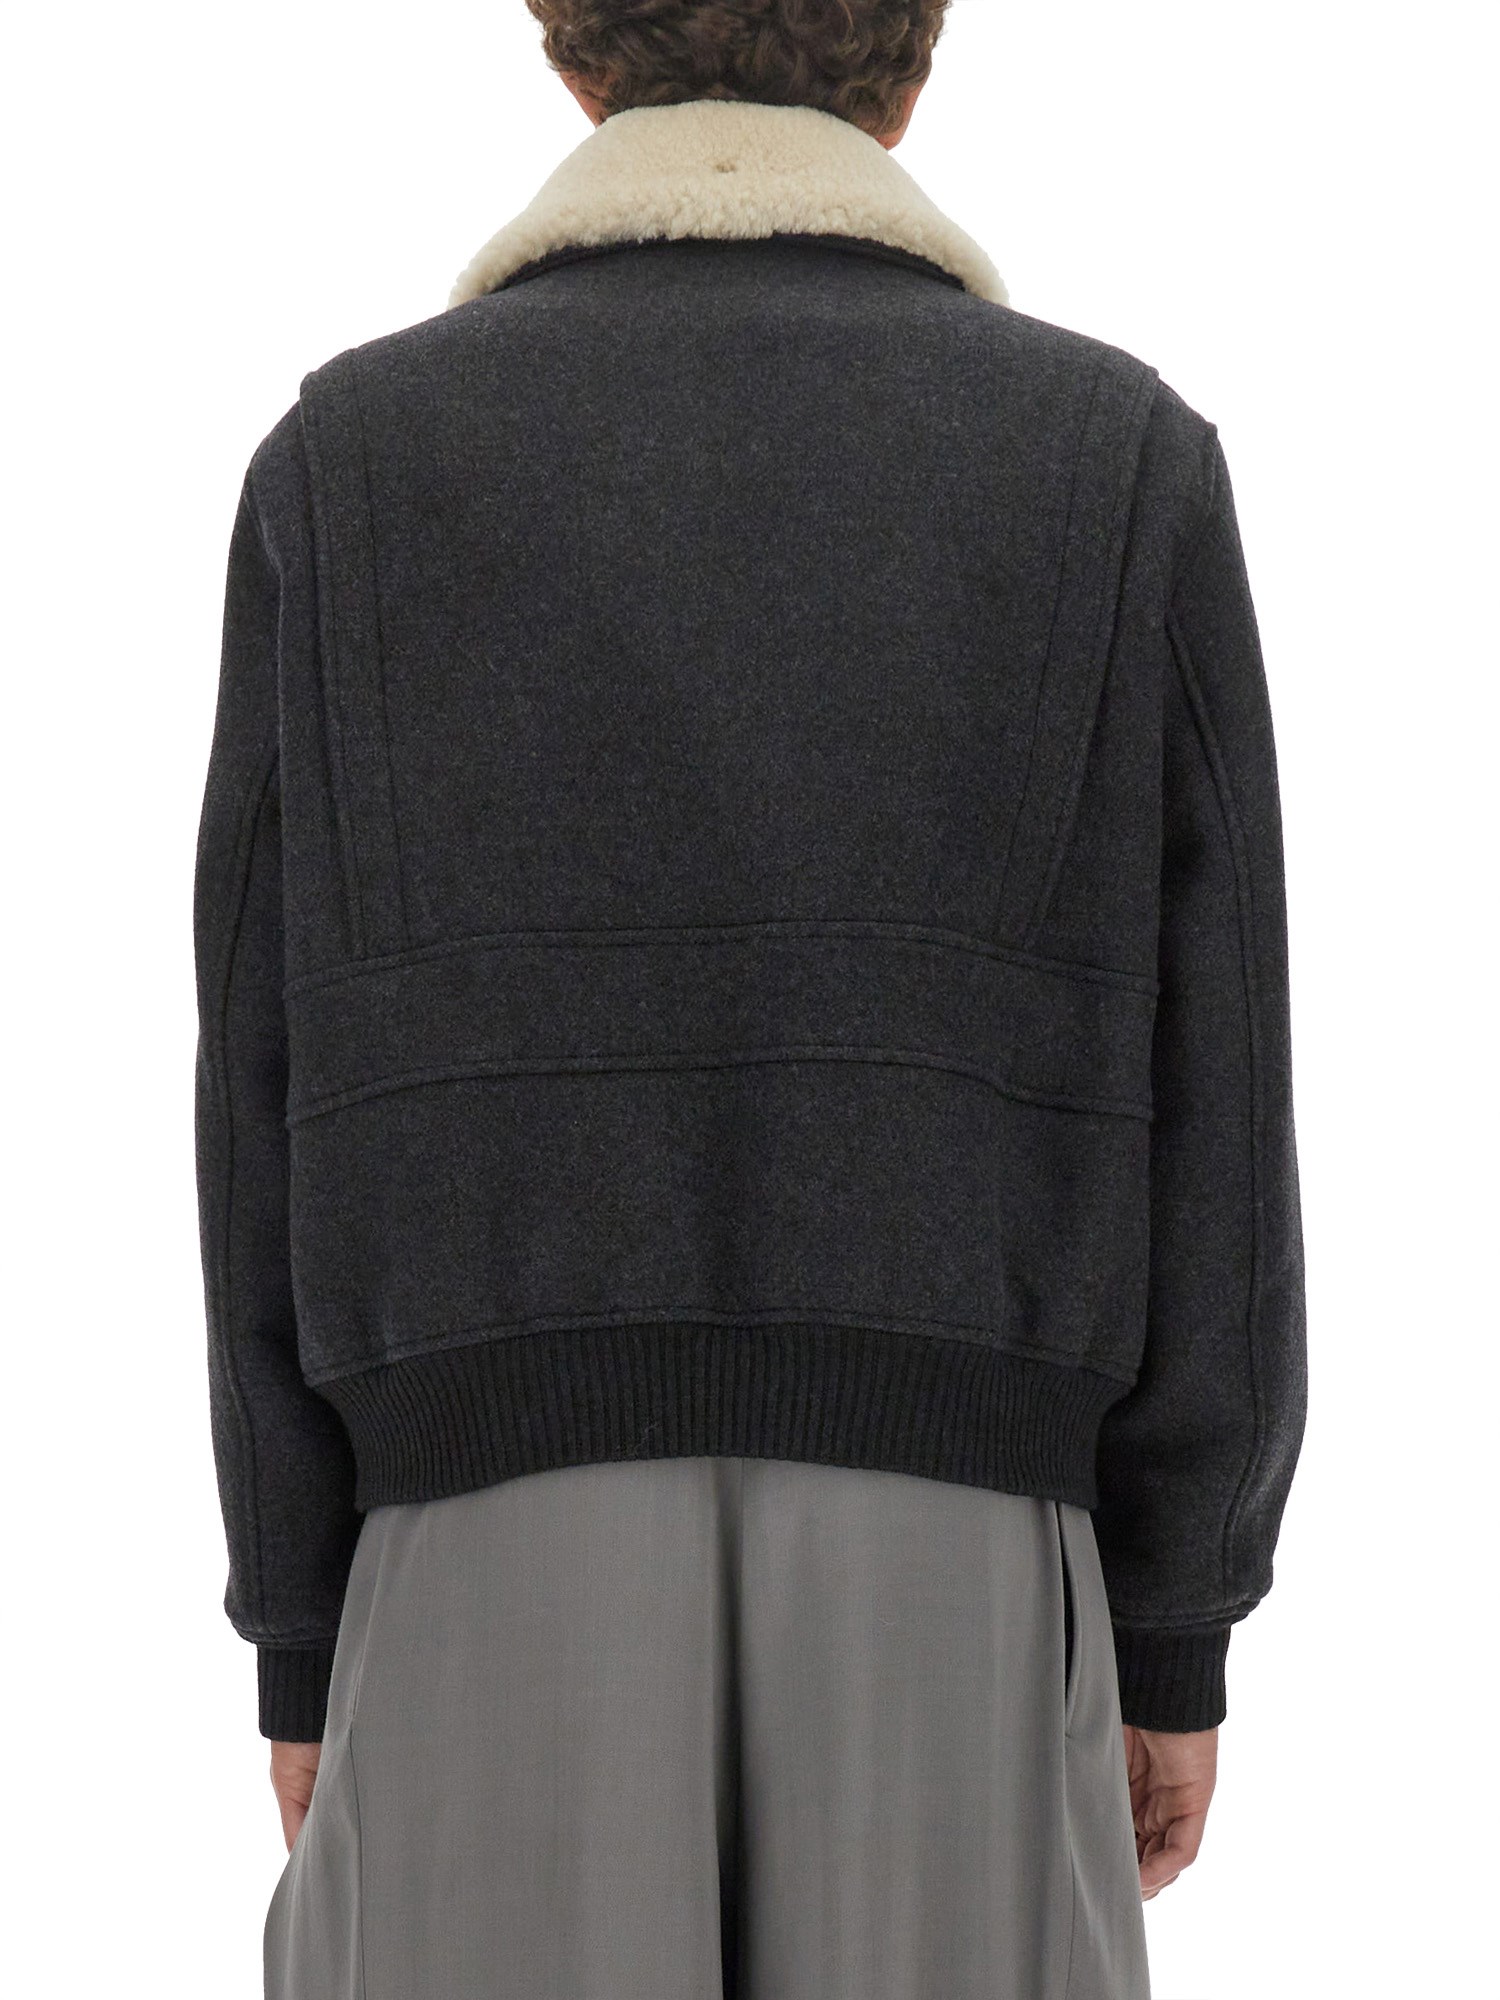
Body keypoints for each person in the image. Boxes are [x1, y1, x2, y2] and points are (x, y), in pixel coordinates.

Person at [192, 4, 1308, 1995]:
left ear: (571, 55)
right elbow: (1217, 1079)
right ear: (914, 64)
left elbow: (258, 1082)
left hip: (471, 1557)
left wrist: (299, 1623)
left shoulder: (348, 468)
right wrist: (1174, 1620)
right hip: (962, 1566)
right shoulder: (1113, 461)